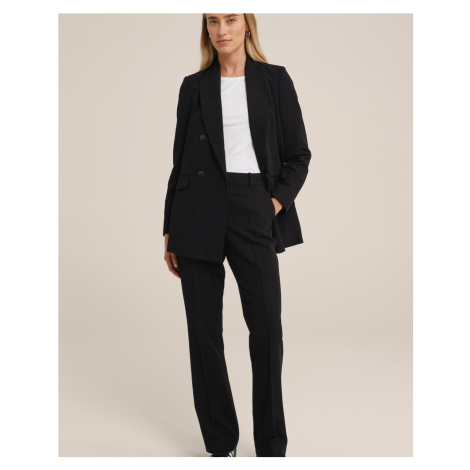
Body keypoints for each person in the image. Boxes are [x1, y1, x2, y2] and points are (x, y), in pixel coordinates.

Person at [163, 13, 311, 457]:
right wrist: (169, 227)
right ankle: (220, 443)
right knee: (204, 331)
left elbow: (299, 154)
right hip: (196, 212)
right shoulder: (194, 86)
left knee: (266, 328)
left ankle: (271, 446)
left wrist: (273, 203)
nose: (221, 30)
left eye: (231, 19)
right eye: (212, 21)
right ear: (205, 29)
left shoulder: (274, 80)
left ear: (247, 25)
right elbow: (180, 162)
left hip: (252, 206)